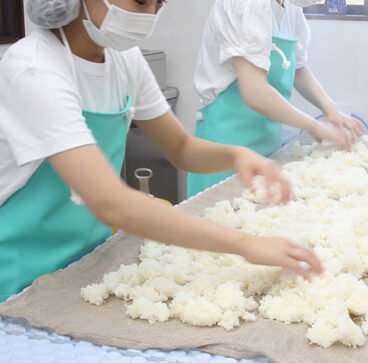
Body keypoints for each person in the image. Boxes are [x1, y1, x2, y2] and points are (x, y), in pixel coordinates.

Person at [0, 0, 323, 303]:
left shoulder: (123, 60)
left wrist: (238, 156)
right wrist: (245, 244)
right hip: (20, 276)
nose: (151, 15)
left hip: (86, 261)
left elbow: (181, 147)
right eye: (142, 1)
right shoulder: (34, 69)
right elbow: (111, 203)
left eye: (160, 4)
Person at [188, 0, 366, 197]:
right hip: (225, 145)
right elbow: (255, 92)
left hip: (266, 142)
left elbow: (297, 68)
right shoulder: (247, 4)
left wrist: (331, 109)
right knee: (221, 215)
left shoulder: (290, 8)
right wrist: (316, 126)